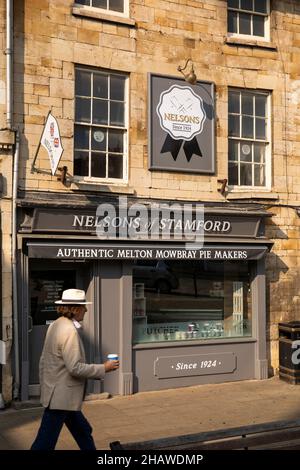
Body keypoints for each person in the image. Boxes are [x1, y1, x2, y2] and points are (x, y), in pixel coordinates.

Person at [31, 288, 119, 450]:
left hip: (59, 394)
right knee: (44, 443)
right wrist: (104, 368)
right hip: (61, 397)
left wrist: (47, 387)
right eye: (84, 307)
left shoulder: (56, 325)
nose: (86, 310)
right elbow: (75, 368)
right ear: (76, 309)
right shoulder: (69, 331)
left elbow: (44, 361)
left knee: (83, 431)